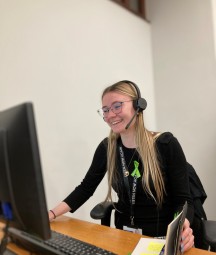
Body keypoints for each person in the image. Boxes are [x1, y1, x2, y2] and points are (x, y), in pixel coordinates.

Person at [49, 80, 194, 253]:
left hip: (159, 238)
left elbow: (183, 200)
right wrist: (50, 214)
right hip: (122, 236)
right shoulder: (108, 147)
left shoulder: (165, 144)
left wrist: (181, 227)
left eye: (117, 106)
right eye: (105, 110)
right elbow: (86, 188)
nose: (110, 115)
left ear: (138, 106)